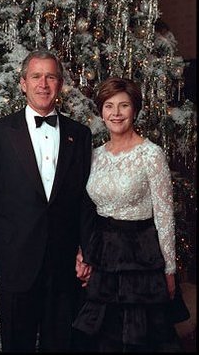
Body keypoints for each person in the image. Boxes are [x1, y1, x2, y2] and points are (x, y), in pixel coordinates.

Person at [0, 49, 95, 352]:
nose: (43, 83)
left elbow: (85, 198)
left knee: (60, 342)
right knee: (18, 342)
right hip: (14, 259)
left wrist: (86, 250)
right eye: (36, 76)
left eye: (50, 76)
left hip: (64, 261)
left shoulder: (79, 135)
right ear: (23, 83)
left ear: (60, 84)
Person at [73, 76, 184, 352]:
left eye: (124, 106)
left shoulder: (151, 154)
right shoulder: (95, 155)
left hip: (140, 257)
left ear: (135, 110)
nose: (116, 113)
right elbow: (86, 209)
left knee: (139, 338)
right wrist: (83, 250)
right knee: (102, 335)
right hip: (102, 254)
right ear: (101, 111)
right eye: (109, 106)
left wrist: (169, 270)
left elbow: (165, 216)